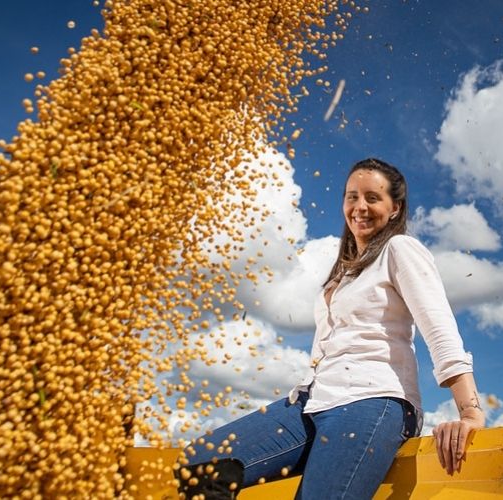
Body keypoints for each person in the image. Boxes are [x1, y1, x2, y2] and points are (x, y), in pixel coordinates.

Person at [177, 158, 485, 499]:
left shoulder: (400, 249)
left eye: (372, 197)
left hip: (373, 400)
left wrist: (469, 411)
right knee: (199, 465)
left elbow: (439, 327)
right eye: (352, 197)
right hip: (311, 402)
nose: (360, 207)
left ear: (395, 208)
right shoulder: (343, 274)